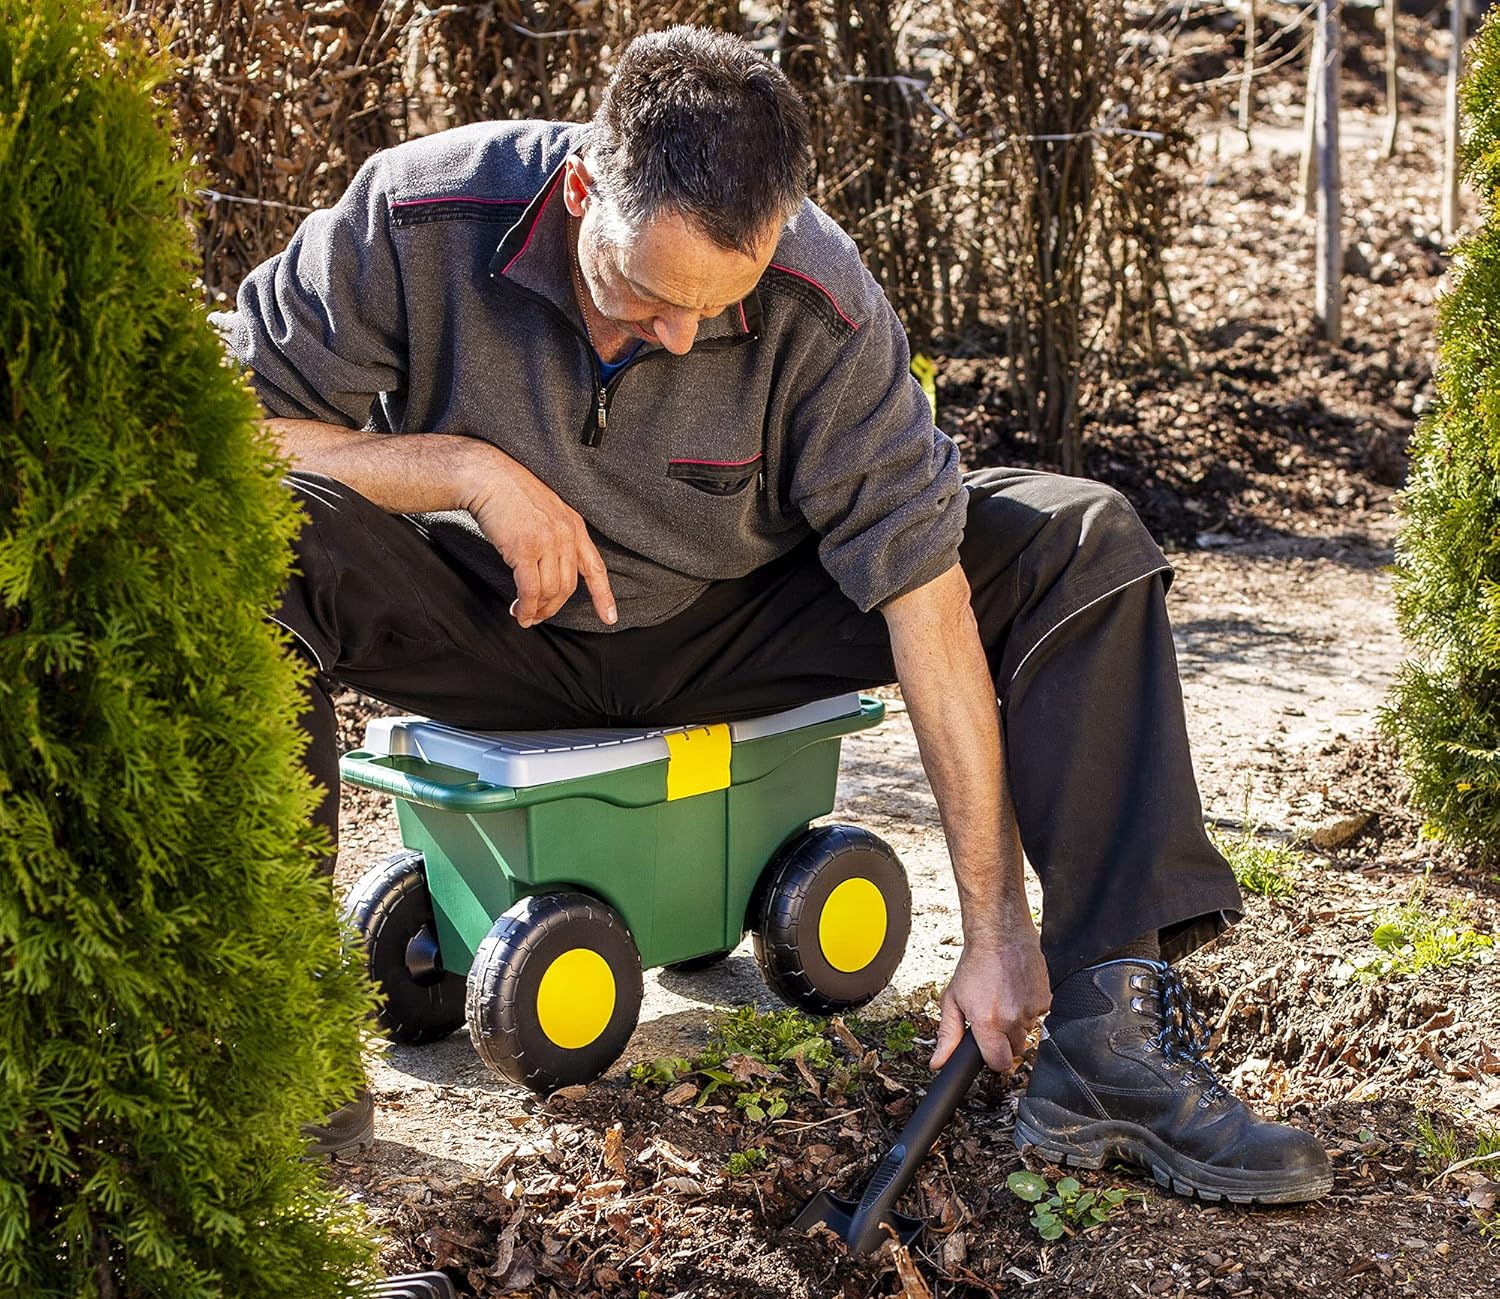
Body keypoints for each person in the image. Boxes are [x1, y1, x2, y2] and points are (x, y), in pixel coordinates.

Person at [212, 26, 1331, 1203]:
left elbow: (928, 596)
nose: (683, 337)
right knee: (257, 527)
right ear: (583, 187)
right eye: (647, 297)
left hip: (727, 630)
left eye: (717, 306)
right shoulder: (416, 217)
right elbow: (226, 426)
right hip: (491, 619)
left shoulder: (820, 296)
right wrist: (467, 471)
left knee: (1079, 540)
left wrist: (997, 929)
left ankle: (1111, 1044)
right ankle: (275, 1049)